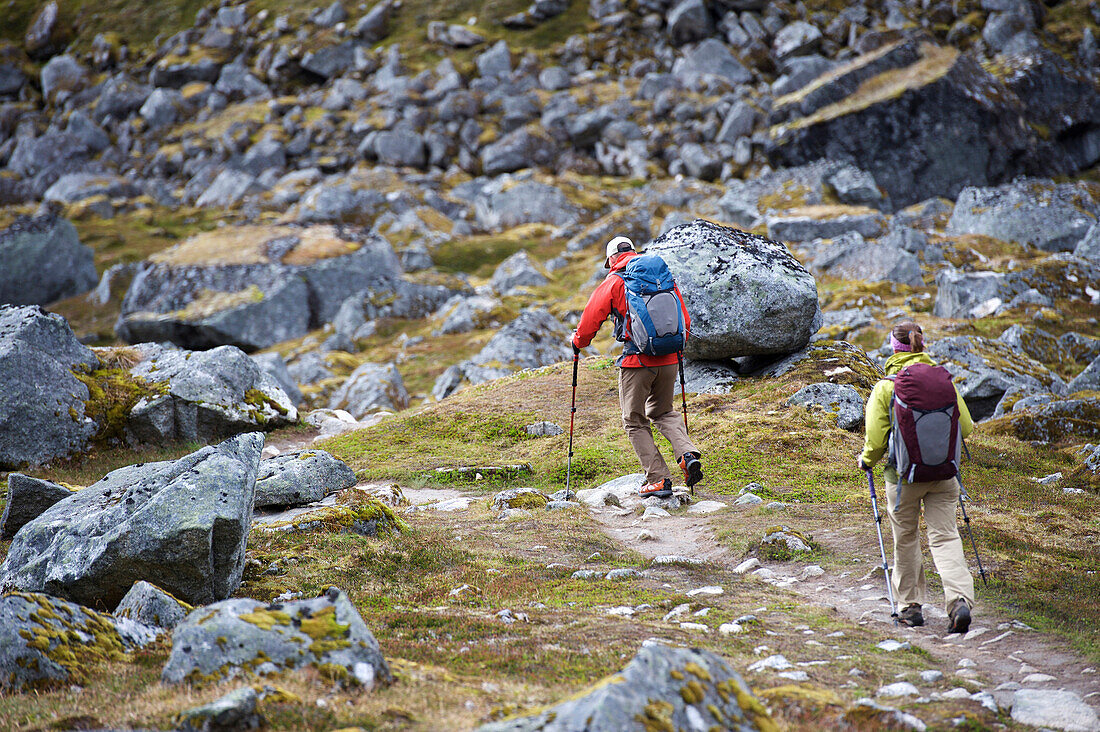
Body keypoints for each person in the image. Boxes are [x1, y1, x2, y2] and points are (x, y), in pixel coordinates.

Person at [859, 321, 976, 633]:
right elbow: (965, 428)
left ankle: (910, 608)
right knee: (946, 536)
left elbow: (876, 439)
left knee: (907, 538)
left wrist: (866, 461)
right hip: (945, 475)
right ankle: (960, 600)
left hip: (902, 479)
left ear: (894, 350)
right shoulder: (943, 381)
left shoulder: (886, 387)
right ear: (922, 346)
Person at [571, 236, 703, 499]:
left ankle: (658, 478)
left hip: (637, 362)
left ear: (611, 260)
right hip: (669, 359)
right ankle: (686, 454)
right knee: (664, 411)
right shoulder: (661, 277)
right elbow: (683, 317)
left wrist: (578, 342)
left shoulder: (615, 281)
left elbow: (590, 319)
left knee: (633, 420)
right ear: (633, 251)